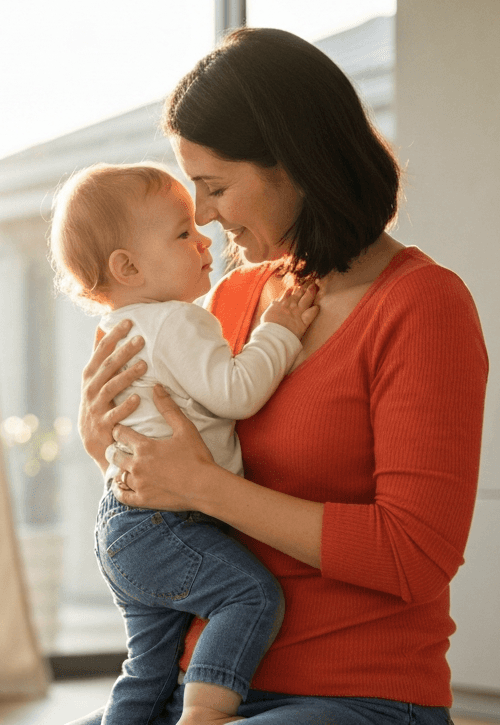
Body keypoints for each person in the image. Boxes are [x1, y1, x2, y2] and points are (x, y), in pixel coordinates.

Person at [69, 27, 488, 725]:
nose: (201, 217)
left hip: (355, 694)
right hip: (201, 684)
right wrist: (106, 446)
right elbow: (179, 480)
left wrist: (208, 488)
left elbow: (415, 555)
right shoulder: (231, 301)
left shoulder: (422, 306)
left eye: (214, 187)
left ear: (292, 164)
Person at [49, 162, 320, 725]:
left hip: (122, 524)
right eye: (182, 234)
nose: (204, 235)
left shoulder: (123, 326)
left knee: (147, 670)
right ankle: (203, 717)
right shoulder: (178, 322)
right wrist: (281, 330)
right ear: (127, 267)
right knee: (250, 598)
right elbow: (237, 392)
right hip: (169, 525)